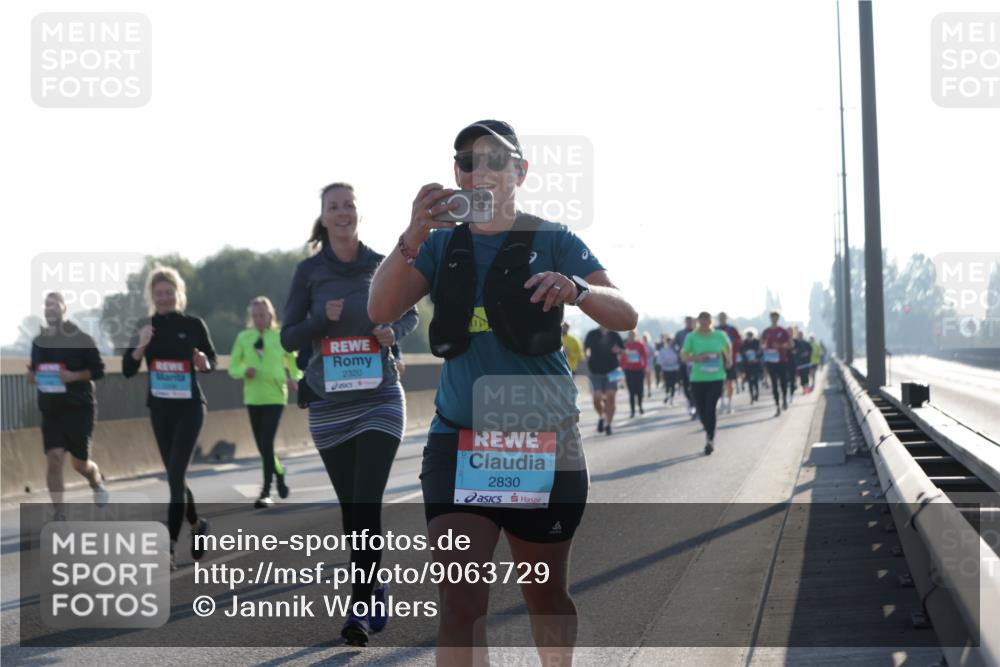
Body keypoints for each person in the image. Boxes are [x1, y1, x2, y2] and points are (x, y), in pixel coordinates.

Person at [367, 120, 637, 667]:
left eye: (495, 158)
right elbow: (379, 311)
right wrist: (412, 235)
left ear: (521, 171)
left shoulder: (554, 239)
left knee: (544, 595)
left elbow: (625, 313)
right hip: (459, 442)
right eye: (468, 160)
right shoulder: (441, 246)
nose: (480, 169)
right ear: (457, 173)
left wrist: (579, 289)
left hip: (544, 441)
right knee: (461, 601)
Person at [281, 182, 418, 647]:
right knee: (351, 511)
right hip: (329, 404)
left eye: (349, 205)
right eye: (333, 207)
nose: (342, 213)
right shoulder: (309, 272)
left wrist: (391, 330)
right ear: (323, 217)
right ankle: (374, 583)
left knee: (366, 501)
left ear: (358, 213)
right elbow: (289, 337)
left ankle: (359, 607)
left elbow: (411, 313)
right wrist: (323, 319)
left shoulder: (381, 263)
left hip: (379, 397)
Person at [122, 267, 215, 570]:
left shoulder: (193, 324)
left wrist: (203, 362)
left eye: (169, 292)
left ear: (178, 294)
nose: (164, 298)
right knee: (178, 477)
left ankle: (170, 548)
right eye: (158, 293)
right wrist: (142, 344)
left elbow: (210, 361)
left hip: (190, 406)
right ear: (152, 297)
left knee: (175, 477)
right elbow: (127, 368)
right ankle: (197, 524)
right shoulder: (145, 326)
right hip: (161, 410)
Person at [28, 292, 108, 519]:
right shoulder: (38, 342)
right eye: (47, 305)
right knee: (54, 457)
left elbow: (99, 370)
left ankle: (96, 480)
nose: (50, 308)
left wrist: (73, 376)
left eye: (55, 305)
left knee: (80, 464)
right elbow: (35, 370)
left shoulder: (81, 339)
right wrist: (32, 376)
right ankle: (59, 513)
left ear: (64, 309)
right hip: (51, 409)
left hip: (79, 409)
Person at [228, 296, 302, 508]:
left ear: (271, 315)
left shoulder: (280, 337)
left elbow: (294, 365)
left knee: (266, 443)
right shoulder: (244, 337)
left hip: (276, 396)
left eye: (262, 315)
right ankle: (279, 472)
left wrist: (295, 379)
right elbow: (233, 367)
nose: (259, 319)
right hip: (253, 397)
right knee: (263, 447)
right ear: (251, 317)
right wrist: (244, 371)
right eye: (255, 316)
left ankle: (265, 490)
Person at [681, 311, 732, 455]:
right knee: (702, 411)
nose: (704, 323)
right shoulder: (691, 337)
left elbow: (728, 346)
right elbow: (684, 356)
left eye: (707, 320)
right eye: (701, 321)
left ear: (711, 321)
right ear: (698, 322)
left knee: (710, 408)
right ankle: (709, 430)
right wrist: (697, 358)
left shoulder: (720, 335)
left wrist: (729, 359)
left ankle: (710, 439)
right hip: (697, 378)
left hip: (716, 377)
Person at [584, 325, 625, 435]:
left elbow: (623, 351)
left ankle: (609, 424)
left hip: (613, 371)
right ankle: (602, 416)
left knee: (610, 396)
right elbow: (586, 349)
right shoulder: (592, 334)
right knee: (596, 398)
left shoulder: (615, 335)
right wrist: (587, 357)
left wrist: (619, 350)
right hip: (595, 371)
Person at [760, 311, 792, 416]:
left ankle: (784, 400)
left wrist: (781, 346)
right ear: (770, 318)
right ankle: (777, 405)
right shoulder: (766, 331)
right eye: (772, 317)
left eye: (776, 317)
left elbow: (790, 345)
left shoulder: (782, 331)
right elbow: (761, 344)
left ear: (778, 318)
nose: (774, 319)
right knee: (774, 383)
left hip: (781, 360)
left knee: (783, 382)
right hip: (770, 361)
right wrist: (764, 347)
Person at [716, 312, 742, 414]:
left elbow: (739, 341)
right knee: (719, 383)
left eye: (724, 317)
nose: (722, 319)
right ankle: (721, 402)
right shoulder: (715, 330)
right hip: (717, 361)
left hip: (730, 360)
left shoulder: (732, 329)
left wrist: (731, 347)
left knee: (729, 382)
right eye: (720, 318)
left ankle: (729, 403)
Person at [620, 330, 648, 417]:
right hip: (629, 370)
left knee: (640, 390)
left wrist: (645, 367)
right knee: (631, 391)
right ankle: (632, 411)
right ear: (628, 336)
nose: (631, 336)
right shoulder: (625, 346)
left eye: (633, 335)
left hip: (639, 370)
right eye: (630, 335)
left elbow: (645, 356)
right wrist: (622, 367)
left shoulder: (640, 345)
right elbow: (622, 357)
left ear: (635, 335)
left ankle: (640, 406)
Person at [672, 316, 696, 418]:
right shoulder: (680, 333)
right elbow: (673, 345)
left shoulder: (698, 333)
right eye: (688, 322)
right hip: (684, 363)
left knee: (696, 385)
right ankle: (691, 403)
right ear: (685, 322)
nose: (690, 323)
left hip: (697, 363)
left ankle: (697, 405)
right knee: (686, 386)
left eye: (691, 322)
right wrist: (679, 353)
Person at [657, 335, 681, 405]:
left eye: (670, 341)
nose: (669, 343)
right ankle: (667, 395)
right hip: (666, 369)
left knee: (673, 384)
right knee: (667, 384)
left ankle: (672, 398)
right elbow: (659, 360)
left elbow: (679, 358)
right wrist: (665, 362)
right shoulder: (662, 350)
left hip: (674, 369)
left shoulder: (675, 350)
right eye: (668, 341)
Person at [740, 329, 762, 404]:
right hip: (748, 365)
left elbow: (760, 352)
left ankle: (757, 393)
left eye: (751, 335)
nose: (750, 337)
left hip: (755, 364)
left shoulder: (757, 342)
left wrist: (757, 358)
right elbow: (742, 352)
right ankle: (752, 396)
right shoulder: (744, 343)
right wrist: (746, 359)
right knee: (750, 382)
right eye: (748, 335)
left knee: (755, 381)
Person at [793, 330, 814, 394]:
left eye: (801, 335)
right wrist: (798, 354)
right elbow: (794, 352)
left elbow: (811, 351)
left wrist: (807, 354)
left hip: (806, 363)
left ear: (802, 335)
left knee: (806, 375)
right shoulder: (796, 344)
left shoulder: (806, 343)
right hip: (800, 364)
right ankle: (804, 388)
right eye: (799, 335)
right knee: (802, 376)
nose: (800, 336)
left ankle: (806, 387)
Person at [642, 332, 655, 398]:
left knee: (648, 378)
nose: (645, 339)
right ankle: (643, 391)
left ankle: (649, 390)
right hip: (643, 364)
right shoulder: (641, 345)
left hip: (649, 363)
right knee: (643, 378)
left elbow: (653, 353)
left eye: (646, 338)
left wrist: (648, 354)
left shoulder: (650, 346)